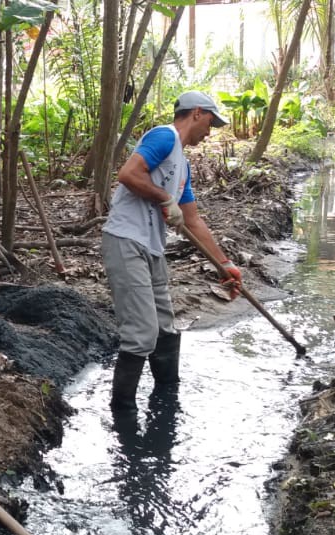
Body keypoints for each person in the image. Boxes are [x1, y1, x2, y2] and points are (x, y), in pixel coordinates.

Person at [101, 91, 242, 416]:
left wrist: (225, 265)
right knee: (142, 332)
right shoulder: (163, 137)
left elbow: (192, 220)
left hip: (151, 247)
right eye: (210, 121)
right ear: (196, 113)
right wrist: (164, 198)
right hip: (125, 240)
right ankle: (123, 415)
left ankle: (167, 398)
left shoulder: (182, 166)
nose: (211, 130)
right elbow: (128, 174)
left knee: (165, 325)